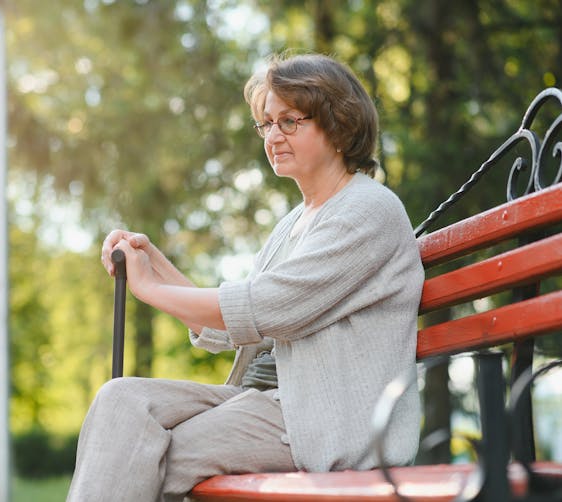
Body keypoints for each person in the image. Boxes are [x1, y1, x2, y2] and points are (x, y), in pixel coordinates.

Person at [67, 52, 424, 502]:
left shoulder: (367, 210)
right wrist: (151, 260)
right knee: (121, 400)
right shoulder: (293, 224)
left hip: (322, 422)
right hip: (264, 404)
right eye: (267, 123)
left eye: (290, 121)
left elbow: (267, 308)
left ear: (338, 123)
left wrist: (149, 289)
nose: (273, 135)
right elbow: (236, 328)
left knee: (148, 454)